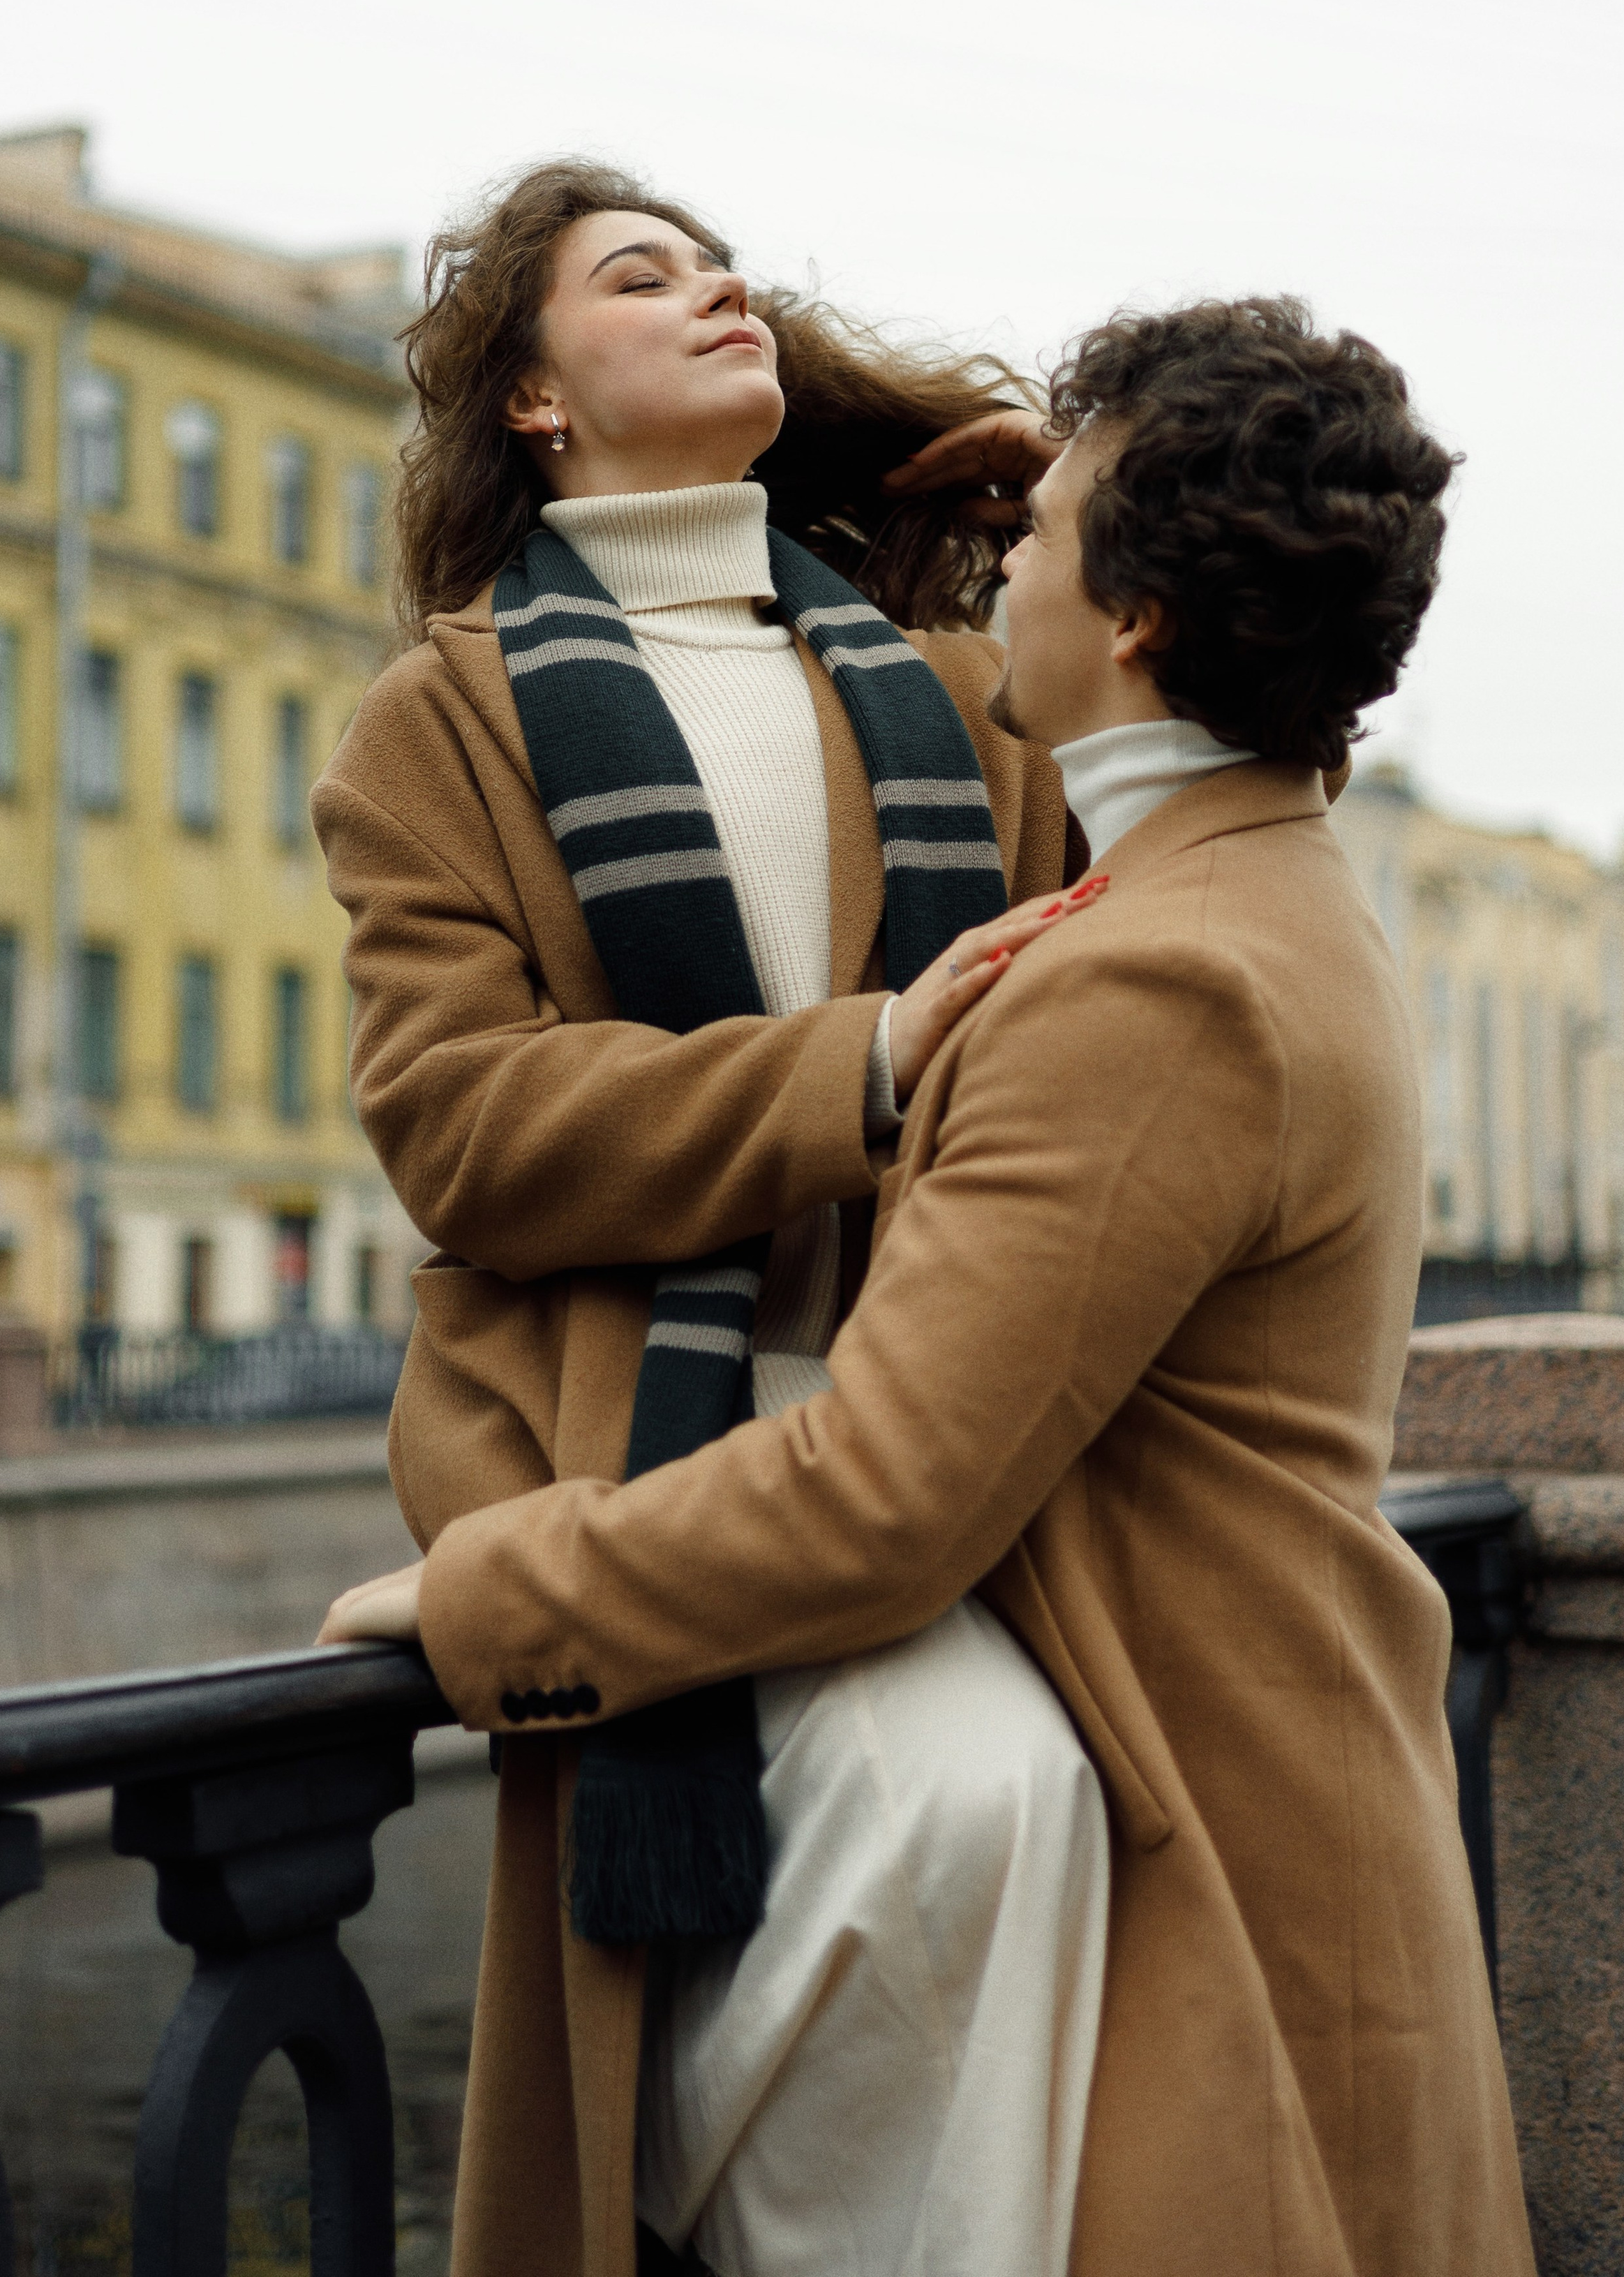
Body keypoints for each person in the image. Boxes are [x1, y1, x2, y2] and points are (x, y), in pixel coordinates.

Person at [325, 294, 1539, 2277]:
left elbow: (882, 1495)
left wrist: (492, 1592)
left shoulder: (1149, 976)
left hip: (1204, 1803)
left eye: (1041, 539)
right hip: (1261, 1753)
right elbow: (466, 1115)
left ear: (1137, 618)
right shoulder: (1269, 891)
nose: (1000, 570)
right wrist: (1116, 517)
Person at [311, 158, 1116, 2277]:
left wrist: (1081, 514)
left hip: (938, 1433)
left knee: (1033, 1848)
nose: (717, 288)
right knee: (980, 1809)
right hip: (632, 1443)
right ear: (533, 399)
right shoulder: (444, 718)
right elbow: (466, 1130)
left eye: (725, 266)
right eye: (641, 277)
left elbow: (1174, 876)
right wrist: (867, 1061)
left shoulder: (948, 686)